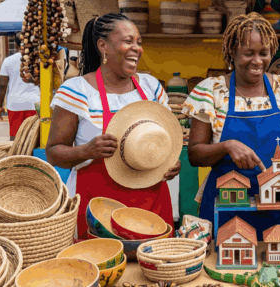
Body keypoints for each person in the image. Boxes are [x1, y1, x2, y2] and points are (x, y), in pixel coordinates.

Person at [46, 13, 180, 240]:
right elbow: (53, 153)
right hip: (97, 210)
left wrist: (171, 162)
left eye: (139, 42)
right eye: (128, 41)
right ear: (103, 46)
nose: (136, 48)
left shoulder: (151, 88)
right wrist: (86, 151)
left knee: (156, 267)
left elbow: (168, 143)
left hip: (151, 203)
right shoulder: (77, 91)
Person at [184, 13, 280, 234]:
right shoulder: (211, 92)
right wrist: (227, 146)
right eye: (248, 53)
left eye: (264, 53)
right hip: (228, 204)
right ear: (232, 53)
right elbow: (194, 154)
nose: (257, 61)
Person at [0, 35, 40, 140]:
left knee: (15, 137)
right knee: (33, 137)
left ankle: (16, 156)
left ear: (15, 44)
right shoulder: (37, 60)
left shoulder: (8, 60)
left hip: (15, 104)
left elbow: (3, 85)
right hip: (35, 103)